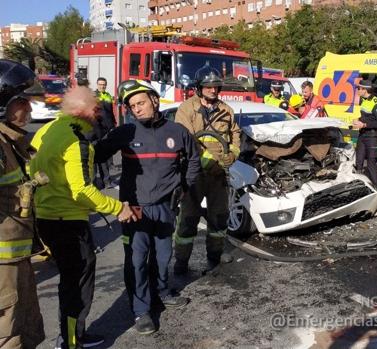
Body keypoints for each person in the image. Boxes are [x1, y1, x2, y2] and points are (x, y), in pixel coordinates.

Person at [29, 86, 137, 349]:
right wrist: (118, 207)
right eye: (94, 108)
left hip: (46, 215)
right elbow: (82, 190)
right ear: (80, 110)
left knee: (70, 281)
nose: (98, 112)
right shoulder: (77, 140)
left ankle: (71, 336)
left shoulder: (47, 130)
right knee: (77, 284)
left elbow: (31, 162)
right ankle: (71, 340)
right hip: (68, 222)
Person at [95, 79, 201, 335]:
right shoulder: (126, 133)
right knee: (138, 260)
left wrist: (184, 188)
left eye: (140, 103)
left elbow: (194, 160)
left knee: (164, 256)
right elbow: (95, 154)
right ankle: (141, 310)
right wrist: (87, 131)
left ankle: (162, 292)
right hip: (135, 209)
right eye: (132, 106)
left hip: (166, 207)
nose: (137, 109)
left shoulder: (177, 132)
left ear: (154, 100)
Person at [173, 67, 240, 275]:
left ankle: (215, 255)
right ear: (199, 88)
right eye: (207, 86)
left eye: (215, 86)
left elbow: (235, 135)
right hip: (194, 174)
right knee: (188, 218)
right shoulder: (186, 109)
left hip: (218, 173)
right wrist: (204, 161)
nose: (212, 90)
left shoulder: (226, 110)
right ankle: (181, 261)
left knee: (219, 216)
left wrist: (233, 154)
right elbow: (184, 139)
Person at [0, 59, 45, 349]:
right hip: (2, 265)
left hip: (16, 258)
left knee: (26, 325)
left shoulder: (11, 141)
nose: (30, 109)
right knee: (7, 332)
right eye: (22, 102)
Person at [352, 79, 377, 188]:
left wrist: (364, 125)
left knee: (371, 162)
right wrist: (358, 119)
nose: (357, 90)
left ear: (365, 90)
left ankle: (375, 186)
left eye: (359, 88)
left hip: (373, 136)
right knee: (359, 160)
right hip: (363, 135)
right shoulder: (363, 100)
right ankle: (358, 185)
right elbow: (366, 116)